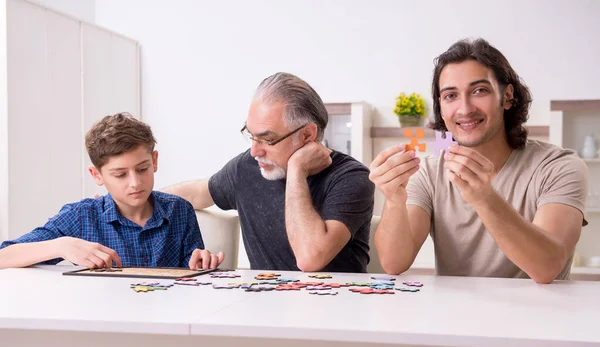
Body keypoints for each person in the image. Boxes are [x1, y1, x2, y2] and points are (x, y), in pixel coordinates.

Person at [369, 38, 588, 283]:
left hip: (541, 317)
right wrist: (394, 200)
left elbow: (548, 267)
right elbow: (393, 263)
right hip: (456, 316)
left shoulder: (558, 167)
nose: (465, 109)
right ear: (441, 107)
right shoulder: (428, 173)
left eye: (479, 91)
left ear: (507, 96)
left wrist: (484, 197)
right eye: (450, 95)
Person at [164, 72, 374, 273]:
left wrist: (296, 170)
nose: (255, 151)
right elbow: (195, 193)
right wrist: (134, 199)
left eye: (268, 139)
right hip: (263, 305)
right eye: (251, 135)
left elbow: (309, 258)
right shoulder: (246, 167)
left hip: (339, 305)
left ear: (307, 135)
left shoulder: (351, 177)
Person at [0, 113, 223, 270]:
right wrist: (61, 245)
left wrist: (202, 261)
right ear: (97, 175)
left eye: (142, 169)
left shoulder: (179, 210)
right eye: (120, 175)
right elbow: (3, 257)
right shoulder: (81, 217)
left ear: (154, 161)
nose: (135, 183)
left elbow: (192, 274)